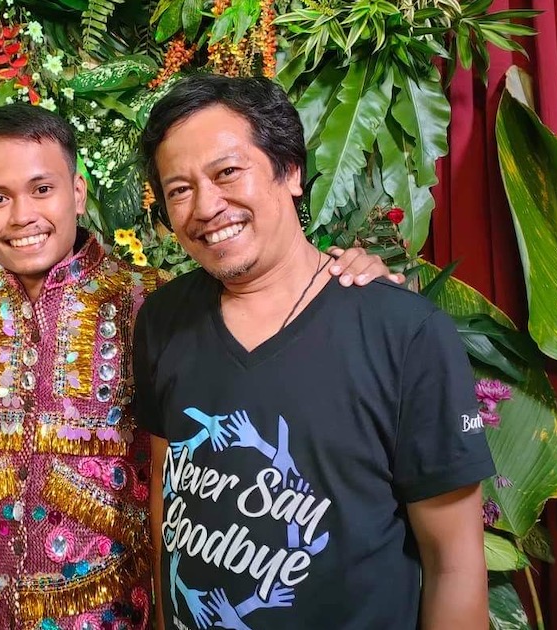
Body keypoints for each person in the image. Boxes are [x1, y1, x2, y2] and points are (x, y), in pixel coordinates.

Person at [0, 103, 397, 630]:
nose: (22, 215)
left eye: (42, 189)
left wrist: (342, 270)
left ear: (77, 192)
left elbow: (265, 294)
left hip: (108, 604)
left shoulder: (151, 302)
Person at [133, 74, 495, 630]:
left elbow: (455, 565)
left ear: (292, 171)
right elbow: (167, 495)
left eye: (228, 172)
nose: (206, 206)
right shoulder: (161, 320)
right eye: (179, 189)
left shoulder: (405, 333)